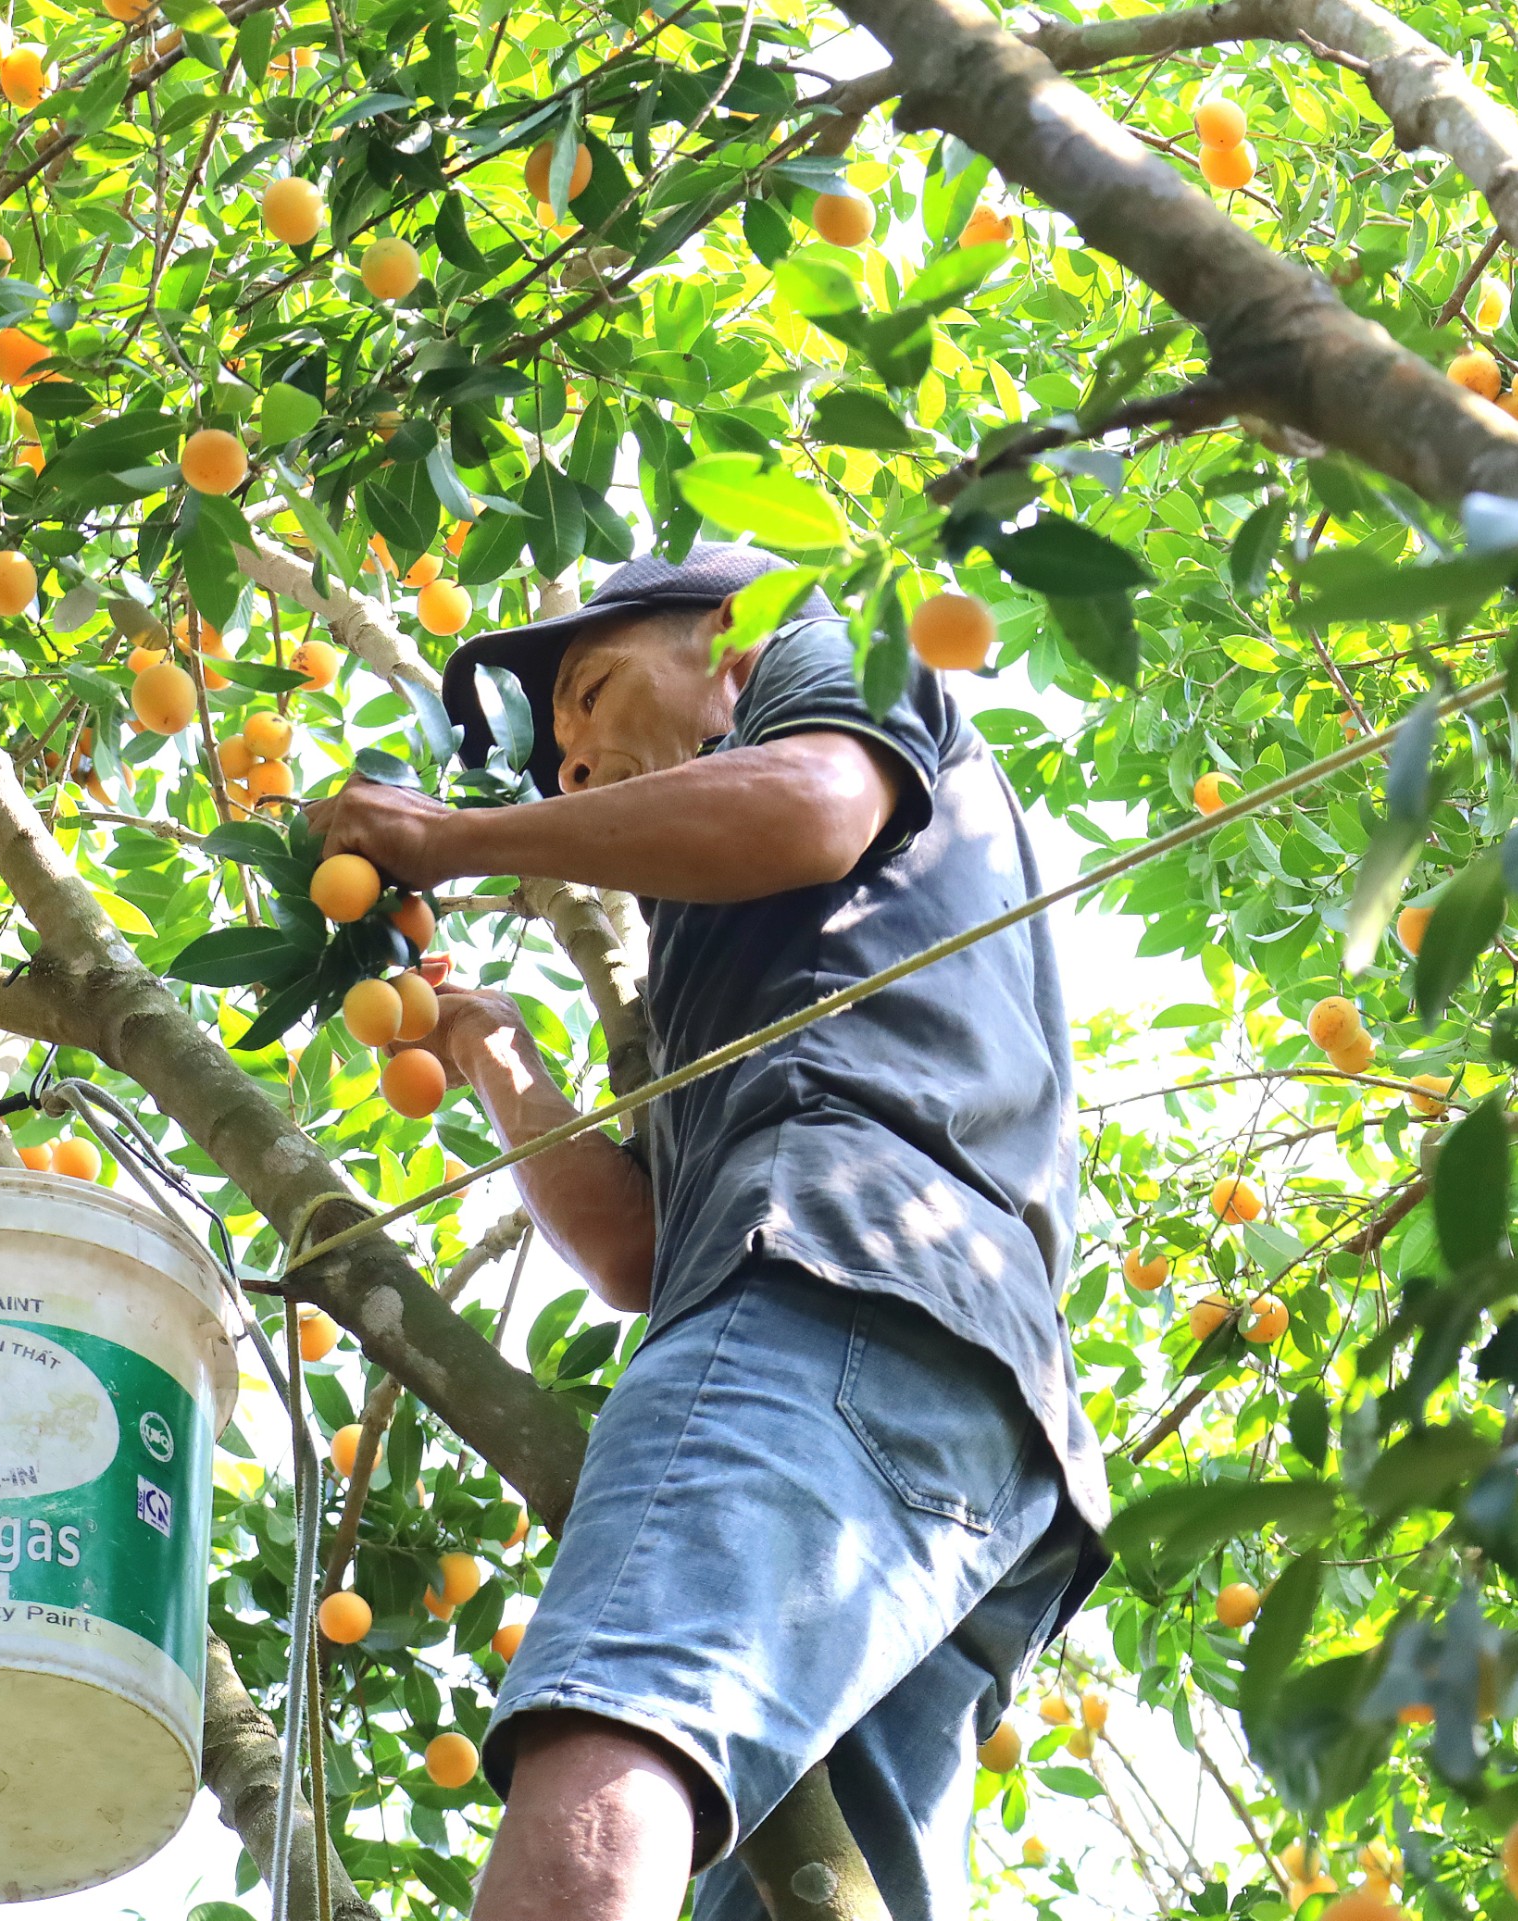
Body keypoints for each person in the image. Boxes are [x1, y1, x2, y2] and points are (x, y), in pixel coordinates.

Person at [303, 543, 1110, 1921]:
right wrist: (498, 1052)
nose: (566, 763)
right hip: (974, 1421)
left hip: (833, 1277)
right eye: (548, 758)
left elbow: (808, 807)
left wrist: (454, 836)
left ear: (728, 644)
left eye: (591, 691)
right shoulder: (730, 965)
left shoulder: (835, 645)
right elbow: (634, 1250)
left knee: (614, 1736)